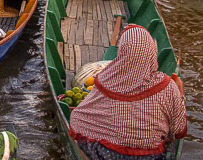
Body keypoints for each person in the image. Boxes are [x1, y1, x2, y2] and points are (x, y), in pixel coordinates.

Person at [69, 25, 188, 159]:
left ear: (122, 52)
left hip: (103, 154)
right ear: (152, 52)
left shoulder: (105, 78)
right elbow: (179, 131)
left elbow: (82, 114)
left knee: (77, 118)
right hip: (148, 157)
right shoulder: (166, 85)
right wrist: (181, 95)